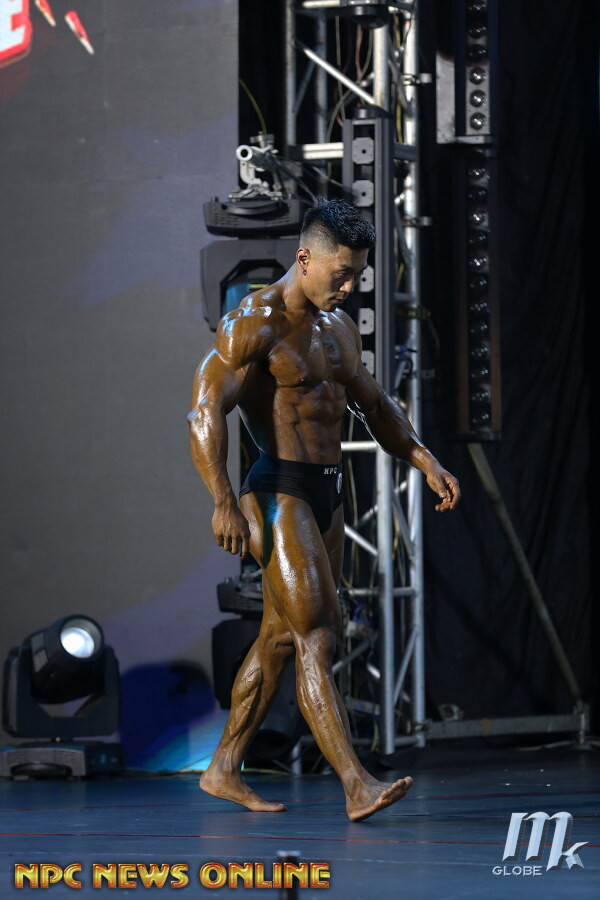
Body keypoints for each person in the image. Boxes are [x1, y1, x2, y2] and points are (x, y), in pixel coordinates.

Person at [188, 199, 461, 822]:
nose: (350, 286)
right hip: (277, 490)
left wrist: (425, 460)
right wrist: (222, 501)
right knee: (317, 632)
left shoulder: (338, 329)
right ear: (304, 258)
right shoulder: (252, 324)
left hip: (326, 490)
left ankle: (223, 768)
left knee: (279, 639)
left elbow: (374, 403)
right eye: (341, 273)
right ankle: (356, 784)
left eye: (358, 275)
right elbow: (205, 410)